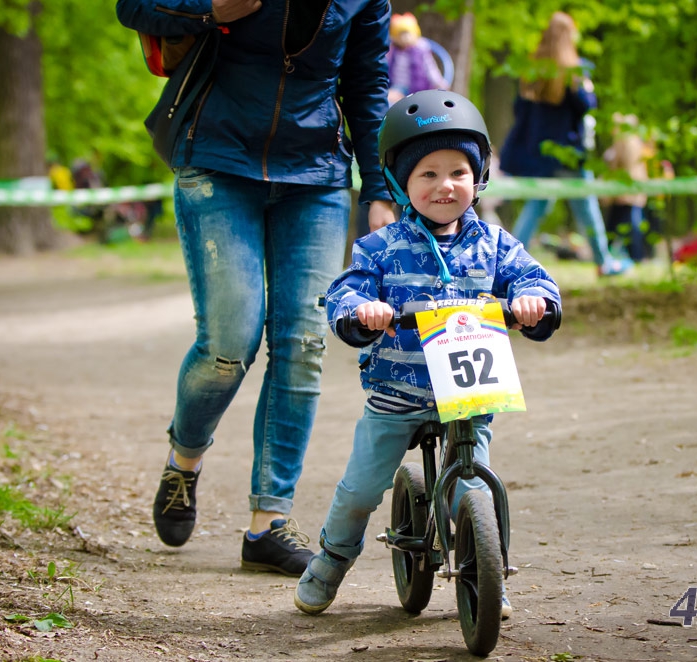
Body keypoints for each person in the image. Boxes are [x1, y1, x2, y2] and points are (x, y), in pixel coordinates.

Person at [116, 0, 397, 576]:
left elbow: (367, 82)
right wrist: (210, 9)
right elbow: (133, 6)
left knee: (303, 344)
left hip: (316, 174)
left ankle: (268, 522)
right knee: (228, 343)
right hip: (217, 158)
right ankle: (184, 459)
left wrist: (379, 189)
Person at [293, 90, 562, 617]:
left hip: (468, 398)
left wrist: (534, 301)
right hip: (397, 394)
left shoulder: (496, 245)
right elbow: (346, 290)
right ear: (401, 182)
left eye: (459, 171)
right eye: (428, 174)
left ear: (479, 176)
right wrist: (362, 310)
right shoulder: (381, 247)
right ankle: (331, 558)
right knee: (360, 489)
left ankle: (489, 574)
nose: (445, 186)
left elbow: (537, 280)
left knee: (473, 491)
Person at [498, 11, 631, 277]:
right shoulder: (575, 71)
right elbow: (586, 106)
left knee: (537, 206)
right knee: (586, 208)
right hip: (568, 155)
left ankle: (505, 263)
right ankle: (604, 262)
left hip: (538, 155)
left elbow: (519, 111)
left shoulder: (532, 72)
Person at [602, 112, 652, 263]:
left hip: (625, 192)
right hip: (632, 191)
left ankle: (630, 256)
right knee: (629, 224)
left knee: (624, 226)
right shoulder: (636, 141)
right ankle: (634, 256)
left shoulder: (624, 142)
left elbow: (618, 165)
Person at [386, 12, 450, 105]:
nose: (405, 38)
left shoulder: (421, 50)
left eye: (407, 34)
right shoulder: (392, 50)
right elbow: (384, 65)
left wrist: (439, 83)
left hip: (419, 89)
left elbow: (430, 68)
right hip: (398, 88)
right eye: (401, 35)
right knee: (389, 96)